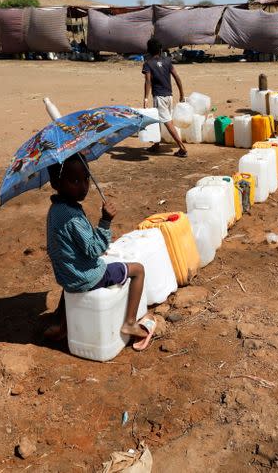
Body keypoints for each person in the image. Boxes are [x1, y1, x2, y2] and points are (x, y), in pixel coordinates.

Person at [45, 153, 154, 349]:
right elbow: (95, 249)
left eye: (86, 179)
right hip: (88, 277)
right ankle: (129, 323)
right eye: (74, 181)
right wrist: (105, 221)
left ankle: (61, 324)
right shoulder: (73, 217)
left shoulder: (57, 210)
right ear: (55, 182)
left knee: (72, 281)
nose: (83, 186)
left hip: (67, 276)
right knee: (138, 270)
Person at [142, 38, 188, 157]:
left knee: (167, 122)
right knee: (159, 119)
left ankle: (182, 148)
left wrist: (146, 98)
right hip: (169, 96)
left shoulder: (148, 63)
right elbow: (177, 77)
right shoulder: (167, 61)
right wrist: (182, 94)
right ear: (161, 49)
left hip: (159, 97)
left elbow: (148, 82)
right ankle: (156, 145)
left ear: (148, 50)